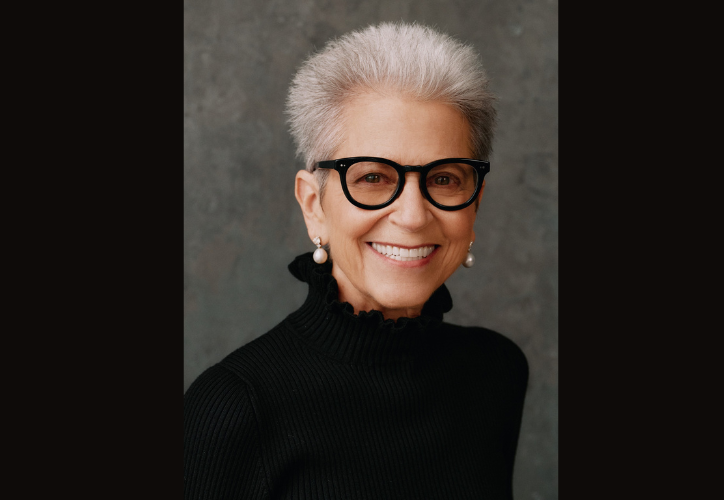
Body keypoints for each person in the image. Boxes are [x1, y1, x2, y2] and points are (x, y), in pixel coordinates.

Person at [184, 21, 528, 499]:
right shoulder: (235, 408)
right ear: (313, 205)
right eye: (371, 177)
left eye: (445, 179)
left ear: (475, 202)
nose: (411, 216)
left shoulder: (495, 373)